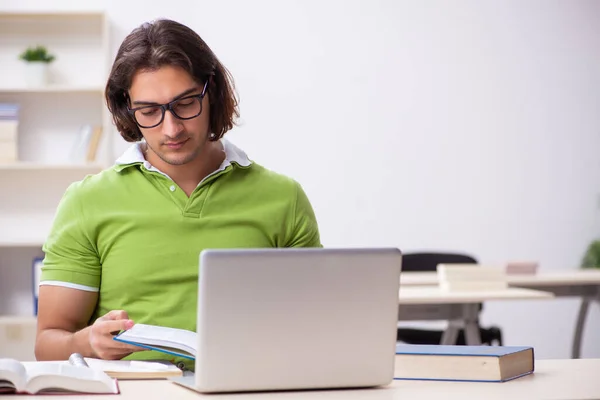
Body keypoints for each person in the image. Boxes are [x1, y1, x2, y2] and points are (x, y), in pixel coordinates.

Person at [34, 18, 321, 370]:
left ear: (211, 92)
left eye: (185, 104)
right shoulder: (86, 201)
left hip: (246, 388)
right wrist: (88, 341)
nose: (171, 129)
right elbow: (48, 343)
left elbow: (315, 327)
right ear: (129, 109)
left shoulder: (283, 198)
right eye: (149, 111)